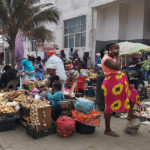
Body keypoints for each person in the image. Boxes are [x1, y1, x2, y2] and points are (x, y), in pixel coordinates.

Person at [101, 43, 130, 137]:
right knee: (108, 106)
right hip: (110, 85)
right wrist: (119, 58)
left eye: (118, 49)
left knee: (128, 98)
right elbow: (117, 67)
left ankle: (128, 115)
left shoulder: (114, 58)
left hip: (117, 84)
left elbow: (118, 67)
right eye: (115, 49)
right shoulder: (106, 59)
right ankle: (107, 129)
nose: (117, 50)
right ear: (109, 49)